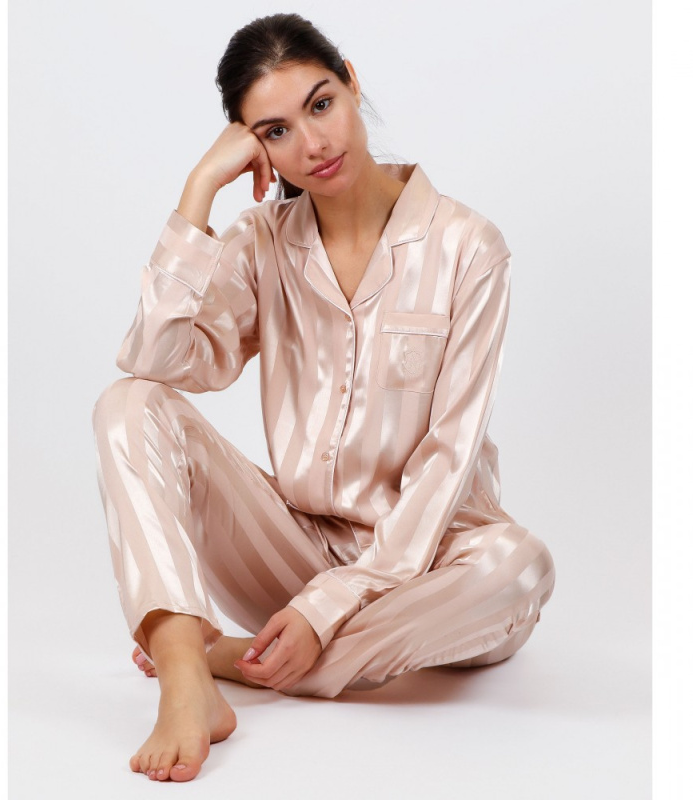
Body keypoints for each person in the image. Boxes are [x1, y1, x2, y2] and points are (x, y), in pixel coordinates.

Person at [91, 12, 556, 784]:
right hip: (294, 551)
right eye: (275, 131)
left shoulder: (468, 247)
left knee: (521, 566)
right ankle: (183, 674)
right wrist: (198, 191)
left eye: (320, 104)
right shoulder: (261, 244)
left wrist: (325, 607)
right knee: (127, 403)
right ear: (255, 149)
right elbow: (155, 360)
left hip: (431, 564)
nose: (313, 143)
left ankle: (232, 658)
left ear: (350, 82)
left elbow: (449, 458)